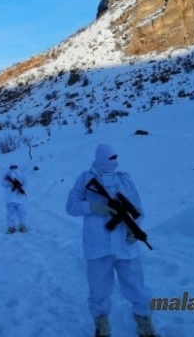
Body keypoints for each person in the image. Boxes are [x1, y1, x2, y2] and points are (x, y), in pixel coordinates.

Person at [66, 144, 157, 337]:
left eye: (115, 157)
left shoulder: (123, 178)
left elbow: (137, 208)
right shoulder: (85, 179)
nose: (114, 161)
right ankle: (102, 327)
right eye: (110, 158)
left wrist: (135, 230)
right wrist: (92, 206)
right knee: (99, 290)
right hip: (98, 245)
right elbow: (71, 206)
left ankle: (145, 325)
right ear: (100, 158)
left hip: (125, 244)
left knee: (137, 286)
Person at [1, 162, 28, 234]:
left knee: (22, 213)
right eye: (12, 167)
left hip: (20, 198)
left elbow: (25, 183)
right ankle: (11, 227)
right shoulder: (7, 175)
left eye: (14, 166)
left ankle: (22, 226)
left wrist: (22, 189)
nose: (13, 168)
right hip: (10, 198)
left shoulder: (21, 174)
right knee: (10, 213)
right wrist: (9, 183)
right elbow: (2, 184)